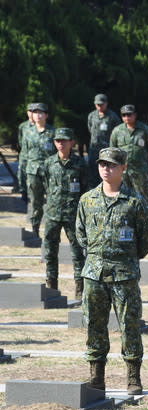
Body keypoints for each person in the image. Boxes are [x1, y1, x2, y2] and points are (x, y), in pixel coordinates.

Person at [77, 147, 148, 395]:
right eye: (102, 164)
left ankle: (133, 377)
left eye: (111, 165)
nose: (106, 169)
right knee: (94, 326)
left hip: (124, 275)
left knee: (129, 325)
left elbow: (145, 240)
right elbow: (81, 235)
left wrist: (127, 259)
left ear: (123, 168)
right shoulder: (87, 200)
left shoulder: (135, 202)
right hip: (94, 274)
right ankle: (96, 377)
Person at [42, 128, 89, 297]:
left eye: (64, 140)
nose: (61, 144)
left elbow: (85, 189)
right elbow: (46, 185)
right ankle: (52, 287)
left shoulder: (80, 164)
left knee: (77, 252)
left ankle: (79, 289)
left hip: (72, 215)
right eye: (58, 141)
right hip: (53, 214)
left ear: (72, 143)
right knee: (50, 252)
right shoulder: (49, 163)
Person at [109, 104, 148, 207]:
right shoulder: (117, 131)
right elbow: (113, 151)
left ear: (135, 115)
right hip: (122, 171)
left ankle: (145, 218)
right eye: (124, 115)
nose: (127, 117)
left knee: (143, 196)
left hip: (140, 170)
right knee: (122, 197)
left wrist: (143, 158)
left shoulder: (144, 129)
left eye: (129, 115)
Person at [21, 102, 55, 237]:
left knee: (52, 201)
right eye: (35, 112)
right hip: (33, 172)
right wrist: (21, 174)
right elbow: (24, 153)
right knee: (35, 201)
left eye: (41, 112)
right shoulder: (27, 132)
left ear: (46, 115)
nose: (38, 115)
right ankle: (35, 229)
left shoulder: (53, 132)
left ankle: (51, 231)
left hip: (49, 172)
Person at [87, 93, 121, 188]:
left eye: (102, 104)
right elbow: (90, 128)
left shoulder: (112, 117)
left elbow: (117, 132)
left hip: (107, 152)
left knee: (106, 174)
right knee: (93, 174)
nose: (100, 106)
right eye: (98, 105)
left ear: (106, 103)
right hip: (94, 150)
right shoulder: (91, 116)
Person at [15, 103, 34, 195]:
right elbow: (20, 140)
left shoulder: (41, 127)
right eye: (30, 111)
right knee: (22, 174)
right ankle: (23, 191)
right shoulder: (23, 126)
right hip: (25, 155)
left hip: (36, 157)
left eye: (34, 111)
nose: (31, 113)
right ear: (27, 112)